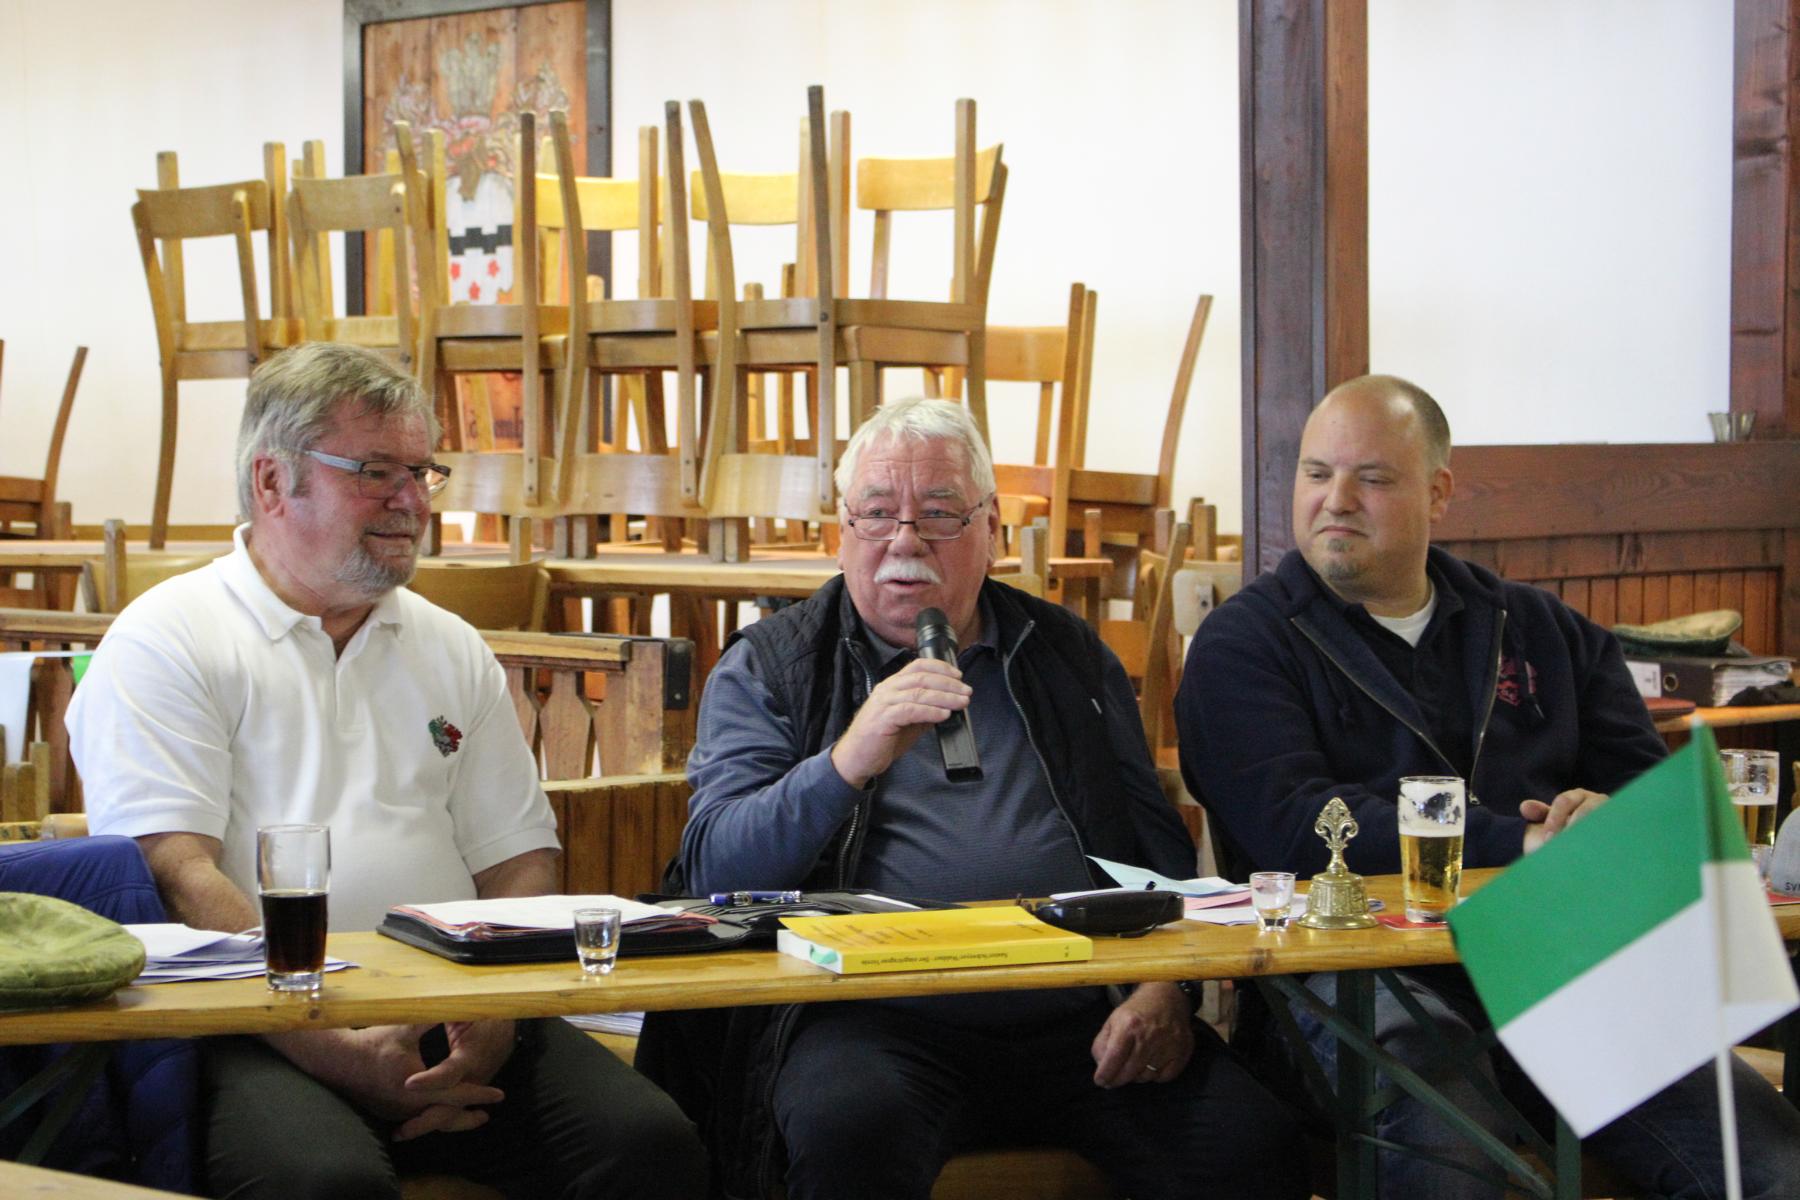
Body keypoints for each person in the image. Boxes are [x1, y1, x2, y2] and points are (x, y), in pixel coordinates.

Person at [67, 342, 706, 1200]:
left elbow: (518, 860)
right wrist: (337, 1047)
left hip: (456, 1008)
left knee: (648, 1144)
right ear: (272, 481)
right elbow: (176, 874)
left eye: (422, 472)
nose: (412, 501)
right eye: (376, 472)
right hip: (253, 1021)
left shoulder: (449, 644)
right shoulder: (167, 640)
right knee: (322, 1183)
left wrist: (495, 1017)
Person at [658, 397, 1307, 1200]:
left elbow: (1156, 854)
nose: (905, 541)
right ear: (841, 533)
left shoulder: (1065, 653)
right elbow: (714, 872)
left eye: (939, 514)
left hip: (1079, 1014)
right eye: (877, 514)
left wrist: (1163, 990)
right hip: (871, 1018)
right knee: (850, 1131)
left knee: (1252, 1142)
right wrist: (849, 758)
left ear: (991, 529)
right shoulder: (775, 666)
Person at [1175, 373, 1800, 1199]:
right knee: (1448, 1151)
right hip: (1352, 980)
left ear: (1440, 492)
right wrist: (1522, 840)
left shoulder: (1543, 630)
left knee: (1774, 1168)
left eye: (1372, 477)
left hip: (1565, 971)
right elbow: (1297, 825)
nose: (1336, 500)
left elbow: (1653, 802)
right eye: (1317, 473)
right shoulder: (1243, 645)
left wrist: (1608, 817)